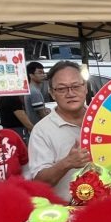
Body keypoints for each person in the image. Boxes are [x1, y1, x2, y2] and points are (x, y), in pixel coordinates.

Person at [27, 61, 91, 201]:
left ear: (85, 87)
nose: (71, 93)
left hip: (109, 206)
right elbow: (39, 182)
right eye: (62, 89)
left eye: (76, 86)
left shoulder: (103, 119)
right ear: (52, 93)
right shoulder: (42, 131)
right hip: (67, 212)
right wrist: (67, 163)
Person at [24, 61, 49, 127]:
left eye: (43, 73)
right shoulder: (34, 92)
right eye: (40, 73)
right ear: (31, 75)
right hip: (39, 128)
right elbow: (42, 114)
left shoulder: (30, 89)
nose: (43, 75)